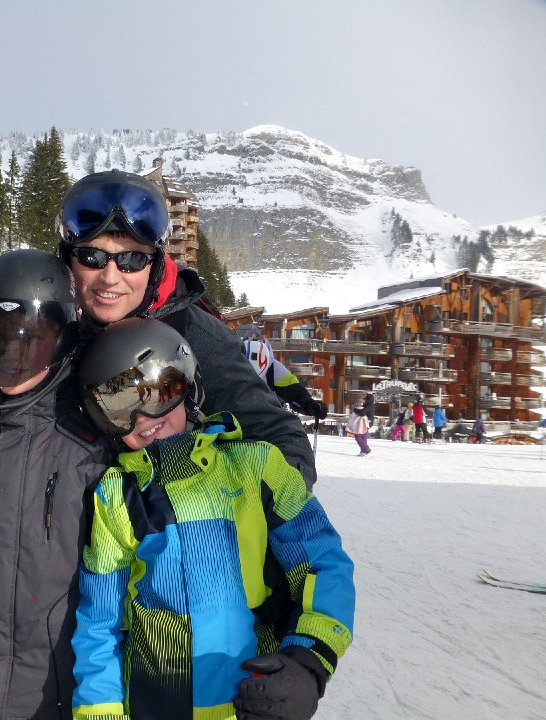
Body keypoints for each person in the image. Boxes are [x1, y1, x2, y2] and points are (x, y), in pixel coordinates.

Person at [71, 318, 355, 720]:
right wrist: (101, 712)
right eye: (118, 408)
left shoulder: (258, 469)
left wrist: (309, 659)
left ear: (188, 386)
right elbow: (100, 623)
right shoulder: (118, 497)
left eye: (157, 393)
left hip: (252, 702)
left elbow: (322, 561)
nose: (142, 418)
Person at [0, 249, 113, 720]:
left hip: (54, 696)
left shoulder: (90, 447)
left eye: (33, 341)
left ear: (64, 340)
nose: (12, 358)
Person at [56, 170, 317, 490]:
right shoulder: (52, 326)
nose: (110, 278)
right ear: (68, 259)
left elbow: (284, 442)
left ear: (155, 264)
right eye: (92, 256)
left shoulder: (192, 334)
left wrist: (213, 500)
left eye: (132, 259)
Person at [237, 325, 328, 420]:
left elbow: (295, 392)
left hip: (263, 418)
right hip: (235, 416)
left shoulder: (273, 369)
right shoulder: (233, 363)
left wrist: (310, 405)